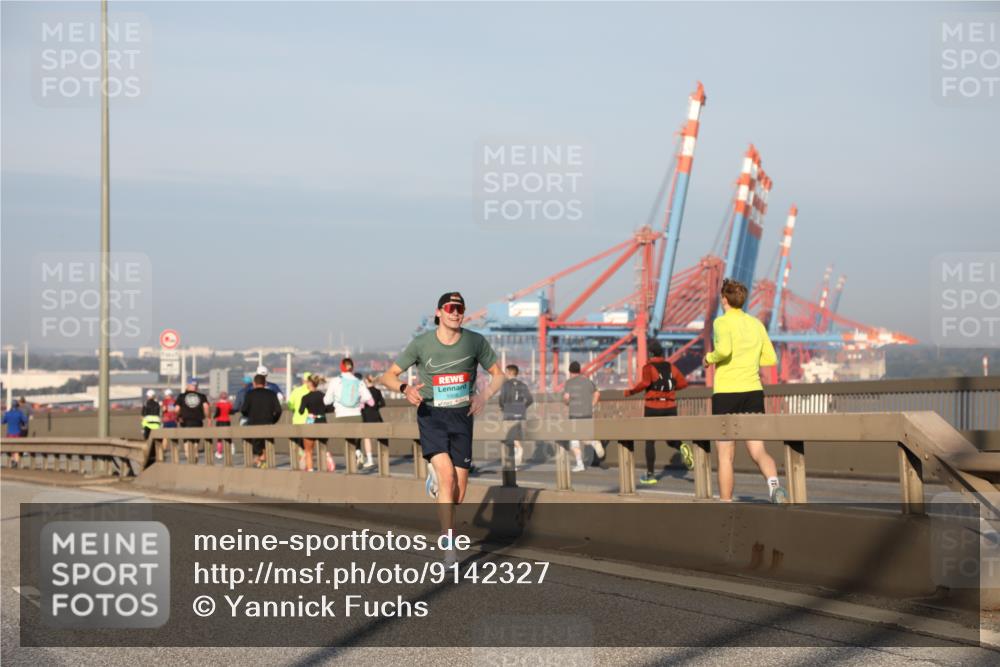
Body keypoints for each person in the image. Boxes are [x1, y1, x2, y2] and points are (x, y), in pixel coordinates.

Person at [380, 292, 504, 562]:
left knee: (458, 494)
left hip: (462, 417)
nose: (455, 312)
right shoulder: (422, 343)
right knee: (447, 478)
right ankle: (449, 548)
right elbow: (387, 376)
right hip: (431, 415)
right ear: (438, 312)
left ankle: (436, 480)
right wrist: (405, 388)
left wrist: (483, 396)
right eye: (450, 307)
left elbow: (498, 374)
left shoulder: (474, 341)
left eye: (460, 308)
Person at [704, 278, 788, 503]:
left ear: (724, 299)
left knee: (725, 454)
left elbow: (724, 350)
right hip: (753, 393)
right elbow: (771, 358)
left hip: (726, 394)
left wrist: (708, 358)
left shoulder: (721, 322)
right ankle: (774, 487)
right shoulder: (756, 324)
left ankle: (725, 503)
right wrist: (750, 358)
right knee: (758, 450)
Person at [624, 340, 693, 485]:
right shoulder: (671, 367)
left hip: (653, 406)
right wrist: (670, 391)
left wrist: (630, 392)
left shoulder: (648, 368)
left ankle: (650, 475)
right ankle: (680, 445)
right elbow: (683, 384)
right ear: (661, 353)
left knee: (650, 441)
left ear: (650, 353)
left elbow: (645, 384)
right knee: (670, 439)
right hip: (670, 407)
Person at [323, 358, 374, 469]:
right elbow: (368, 398)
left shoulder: (336, 381)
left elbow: (327, 401)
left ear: (341, 367)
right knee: (356, 440)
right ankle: (358, 453)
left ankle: (352, 465)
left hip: (341, 415)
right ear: (352, 367)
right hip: (356, 415)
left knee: (346, 443)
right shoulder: (358, 381)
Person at [562, 361, 604, 472]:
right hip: (587, 413)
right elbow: (597, 393)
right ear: (579, 370)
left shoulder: (569, 383)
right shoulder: (587, 381)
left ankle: (580, 463)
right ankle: (593, 443)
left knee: (574, 439)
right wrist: (592, 405)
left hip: (575, 414)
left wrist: (566, 402)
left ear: (570, 371)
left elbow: (566, 398)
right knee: (583, 436)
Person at [240, 373, 284, 468]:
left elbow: (243, 410)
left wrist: (249, 416)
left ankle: (260, 461)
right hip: (268, 424)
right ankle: (264, 462)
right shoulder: (271, 394)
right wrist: (273, 420)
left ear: (254, 383)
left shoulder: (249, 394)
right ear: (265, 383)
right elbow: (278, 410)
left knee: (256, 447)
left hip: (253, 425)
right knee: (267, 445)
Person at [498, 364, 533, 468]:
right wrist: (522, 407)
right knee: (516, 436)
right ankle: (517, 455)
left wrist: (502, 408)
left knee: (509, 437)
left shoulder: (505, 385)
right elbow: (530, 399)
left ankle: (515, 458)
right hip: (520, 413)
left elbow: (502, 399)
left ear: (509, 372)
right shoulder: (523, 384)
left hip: (509, 412)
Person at [298, 374, 335, 472]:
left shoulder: (305, 397)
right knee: (323, 446)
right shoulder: (323, 396)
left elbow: (300, 411)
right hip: (322, 420)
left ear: (310, 383)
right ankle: (327, 456)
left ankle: (310, 469)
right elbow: (331, 408)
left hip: (311, 420)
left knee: (308, 450)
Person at [177, 379, 211, 462]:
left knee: (186, 439)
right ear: (197, 387)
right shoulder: (202, 396)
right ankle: (195, 455)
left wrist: (178, 416)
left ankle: (188, 456)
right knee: (196, 440)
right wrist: (208, 417)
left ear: (187, 386)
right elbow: (206, 407)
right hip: (198, 421)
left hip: (185, 421)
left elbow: (177, 409)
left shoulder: (182, 396)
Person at [360, 374, 388, 470]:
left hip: (366, 416)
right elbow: (383, 403)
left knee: (367, 438)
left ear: (366, 381)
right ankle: (384, 459)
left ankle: (370, 459)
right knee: (380, 438)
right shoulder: (378, 391)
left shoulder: (365, 392)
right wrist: (376, 407)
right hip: (376, 416)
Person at [287, 372, 313, 458]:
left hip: (297, 420)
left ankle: (302, 458)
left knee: (299, 443)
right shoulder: (312, 391)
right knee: (309, 444)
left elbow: (290, 405)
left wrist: (294, 409)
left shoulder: (296, 391)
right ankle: (307, 459)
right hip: (310, 421)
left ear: (303, 380)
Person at [2, 401, 28, 468]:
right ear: (17, 406)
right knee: (16, 448)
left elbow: (2, 421)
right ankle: (16, 462)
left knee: (11, 448)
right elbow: (25, 420)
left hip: (9, 433)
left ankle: (13, 460)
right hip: (17, 433)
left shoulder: (7, 413)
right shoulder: (19, 413)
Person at [213, 391, 233, 460]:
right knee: (228, 436)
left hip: (220, 421)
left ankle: (219, 453)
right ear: (226, 397)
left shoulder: (218, 404)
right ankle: (230, 449)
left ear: (220, 396)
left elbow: (217, 412)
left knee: (219, 438)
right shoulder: (229, 404)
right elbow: (231, 412)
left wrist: (214, 417)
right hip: (227, 421)